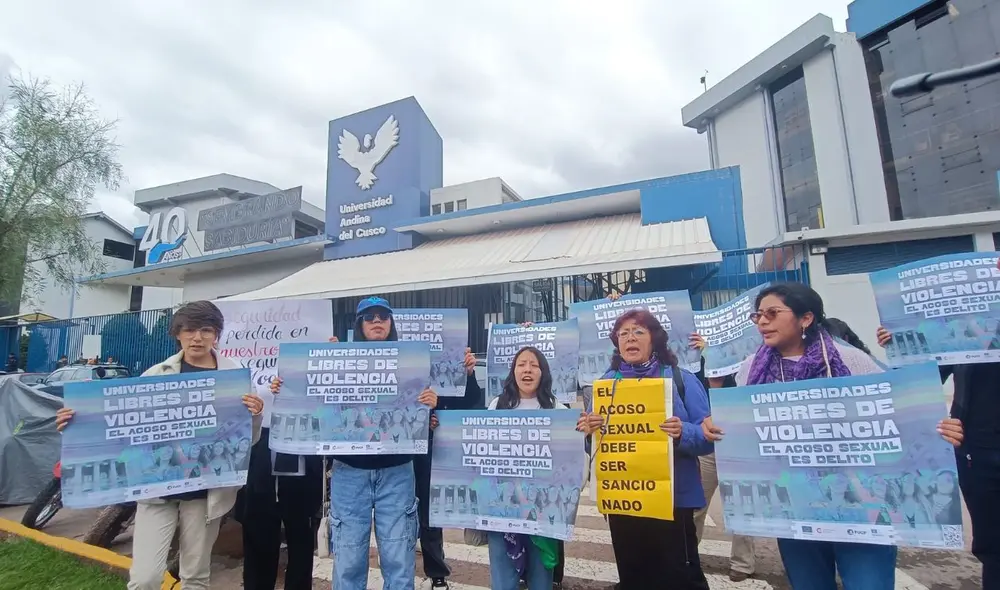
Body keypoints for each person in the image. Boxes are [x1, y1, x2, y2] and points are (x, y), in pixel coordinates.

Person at [724, 282, 963, 590]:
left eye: (772, 313)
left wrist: (939, 428)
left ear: (806, 318)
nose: (762, 322)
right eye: (758, 315)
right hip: (798, 510)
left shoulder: (852, 362)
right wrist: (717, 427)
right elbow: (743, 430)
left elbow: (900, 415)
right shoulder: (748, 371)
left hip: (861, 509)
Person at [55, 300, 265, 590]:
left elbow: (248, 442)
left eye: (206, 330)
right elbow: (119, 423)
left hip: (206, 492)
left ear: (216, 335)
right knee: (145, 579)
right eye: (189, 330)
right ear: (177, 333)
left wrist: (256, 416)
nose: (197, 337)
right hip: (156, 491)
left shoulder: (235, 378)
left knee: (195, 576)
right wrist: (76, 422)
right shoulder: (155, 375)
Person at [273, 296, 438, 589]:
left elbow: (427, 417)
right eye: (370, 317)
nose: (377, 321)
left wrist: (431, 403)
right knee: (348, 560)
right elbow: (309, 396)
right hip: (349, 471)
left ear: (391, 323)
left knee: (399, 558)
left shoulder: (413, 363)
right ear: (359, 324)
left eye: (383, 317)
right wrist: (283, 386)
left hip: (398, 471)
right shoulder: (337, 360)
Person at [580, 306, 714, 589]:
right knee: (634, 575)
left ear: (654, 338)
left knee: (678, 576)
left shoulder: (681, 380)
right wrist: (589, 429)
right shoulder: (605, 385)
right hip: (624, 501)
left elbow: (707, 436)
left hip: (672, 501)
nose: (630, 338)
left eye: (638, 332)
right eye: (623, 333)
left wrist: (682, 432)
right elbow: (594, 445)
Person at [877, 325, 998, 588]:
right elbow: (919, 380)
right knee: (994, 549)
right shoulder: (964, 327)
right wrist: (902, 348)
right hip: (978, 453)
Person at [485, 346, 596, 590]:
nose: (527, 369)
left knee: (540, 579)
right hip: (503, 508)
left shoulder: (558, 409)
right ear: (513, 372)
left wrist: (582, 434)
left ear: (543, 372)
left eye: (534, 365)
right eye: (521, 364)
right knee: (503, 579)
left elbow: (573, 462)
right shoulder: (496, 406)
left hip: (543, 509)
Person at [688, 336, 756, 581]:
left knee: (741, 507)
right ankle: (689, 556)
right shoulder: (694, 368)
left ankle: (743, 563)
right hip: (709, 445)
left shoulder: (747, 366)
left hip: (741, 443)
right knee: (696, 506)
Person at [415, 344, 483, 589]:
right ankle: (398, 566)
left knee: (429, 512)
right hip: (397, 452)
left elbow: (471, 404)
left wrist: (468, 374)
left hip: (433, 450)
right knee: (397, 513)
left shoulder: (450, 377)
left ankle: (436, 572)